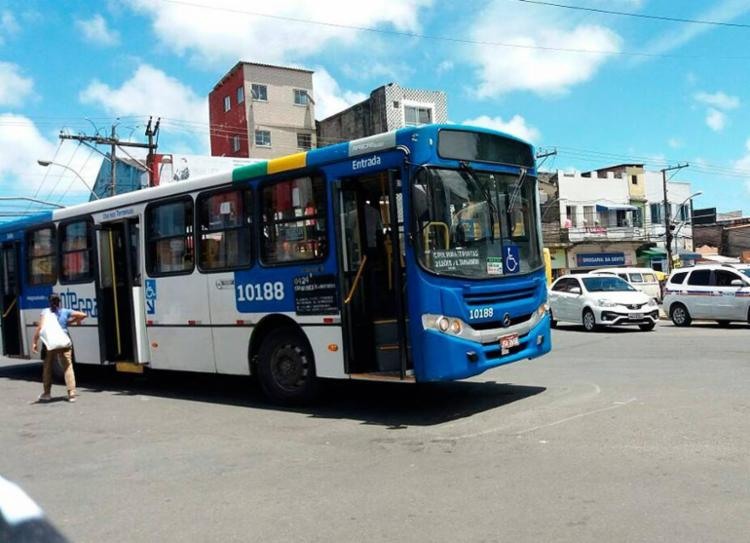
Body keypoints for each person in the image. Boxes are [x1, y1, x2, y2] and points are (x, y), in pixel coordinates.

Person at [31, 294, 86, 403]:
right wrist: (71, 322)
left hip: (50, 344)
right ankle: (72, 394)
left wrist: (34, 342)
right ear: (59, 302)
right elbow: (83, 315)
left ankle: (47, 394)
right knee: (68, 367)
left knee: (47, 367)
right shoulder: (65, 311)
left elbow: (40, 327)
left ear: (49, 302)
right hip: (64, 342)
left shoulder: (45, 312)